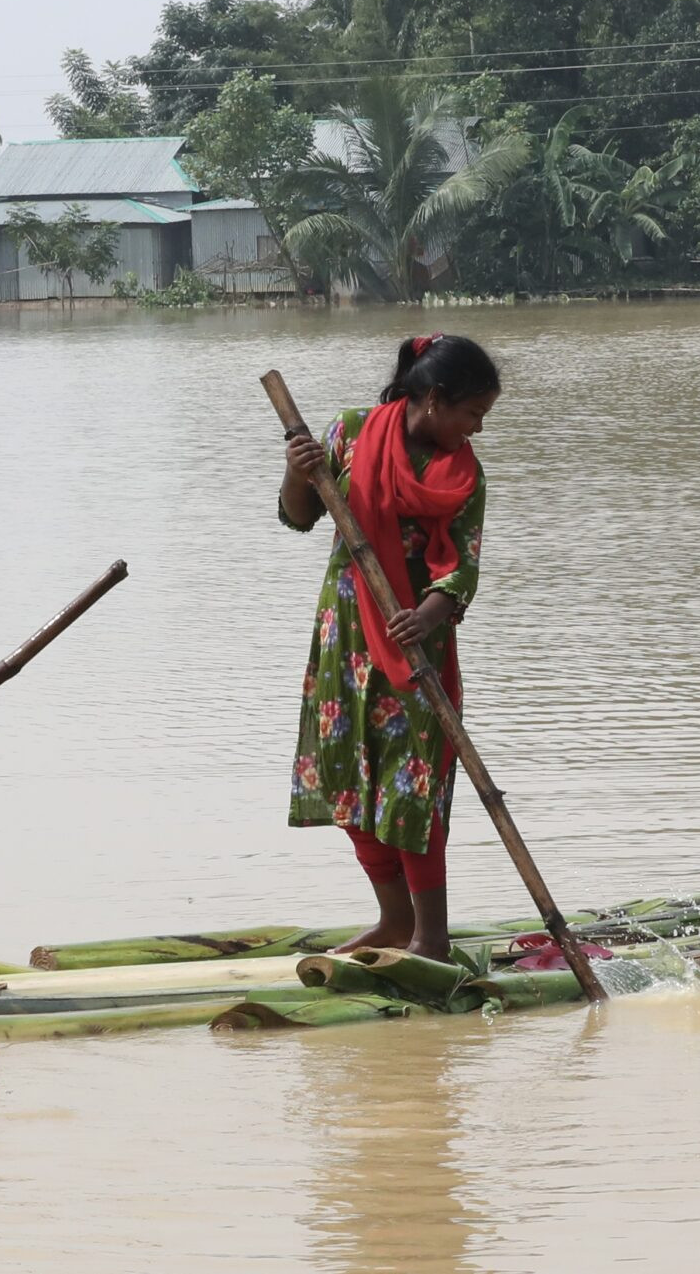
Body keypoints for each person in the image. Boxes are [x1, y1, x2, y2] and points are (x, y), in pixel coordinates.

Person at [276, 333, 499, 962]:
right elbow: (298, 517)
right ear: (432, 400)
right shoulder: (349, 433)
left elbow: (462, 573)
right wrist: (299, 473)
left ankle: (432, 936)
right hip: (346, 636)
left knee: (412, 783)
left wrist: (423, 618)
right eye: (472, 415)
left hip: (416, 648)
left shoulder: (463, 473)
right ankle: (394, 920)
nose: (476, 430)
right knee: (347, 776)